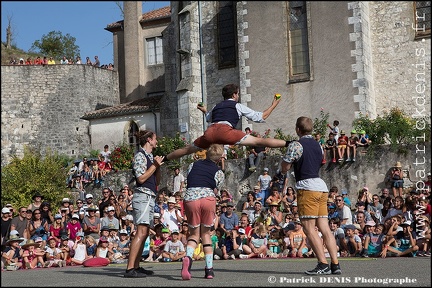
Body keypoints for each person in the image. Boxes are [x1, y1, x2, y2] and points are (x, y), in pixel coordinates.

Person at [164, 84, 289, 162]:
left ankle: (164, 158)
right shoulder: (237, 106)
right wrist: (274, 104)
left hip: (210, 132)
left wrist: (204, 110)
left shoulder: (217, 106)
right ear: (234, 95)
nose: (238, 96)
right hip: (225, 131)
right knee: (258, 141)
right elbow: (261, 116)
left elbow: (209, 117)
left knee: (187, 149)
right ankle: (289, 143)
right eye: (238, 94)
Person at [280, 116, 341, 275]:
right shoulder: (319, 145)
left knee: (308, 228)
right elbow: (321, 161)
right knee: (324, 228)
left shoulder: (296, 145)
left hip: (307, 187)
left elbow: (285, 167)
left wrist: (284, 167)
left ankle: (322, 263)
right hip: (321, 185)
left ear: (297, 129)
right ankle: (335, 264)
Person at [180, 144, 225, 280]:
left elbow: (190, 180)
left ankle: (188, 257)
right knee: (206, 234)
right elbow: (216, 189)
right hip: (207, 198)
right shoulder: (219, 172)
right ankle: (209, 269)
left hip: (191, 198)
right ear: (219, 158)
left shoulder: (193, 165)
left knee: (193, 233)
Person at [124, 129, 163, 278]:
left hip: (150, 195)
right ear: (148, 140)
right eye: (155, 139)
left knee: (145, 232)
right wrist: (154, 165)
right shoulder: (140, 156)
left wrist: (157, 166)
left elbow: (157, 181)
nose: (156, 141)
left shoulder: (150, 156)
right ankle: (130, 268)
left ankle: (136, 265)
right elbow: (140, 179)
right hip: (143, 195)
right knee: (141, 231)